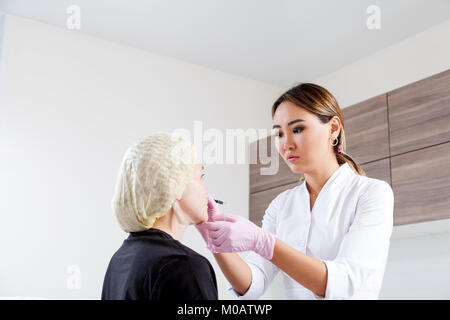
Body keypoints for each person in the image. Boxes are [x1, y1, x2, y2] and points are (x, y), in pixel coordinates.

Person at [196, 83, 395, 300]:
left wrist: (264, 242)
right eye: (279, 134)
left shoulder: (371, 193)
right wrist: (214, 237)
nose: (286, 144)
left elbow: (346, 285)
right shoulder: (282, 205)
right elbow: (253, 284)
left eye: (297, 129)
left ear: (333, 128)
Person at [101, 132, 218, 300]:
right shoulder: (184, 266)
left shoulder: (120, 260)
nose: (206, 191)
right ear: (175, 185)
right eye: (201, 177)